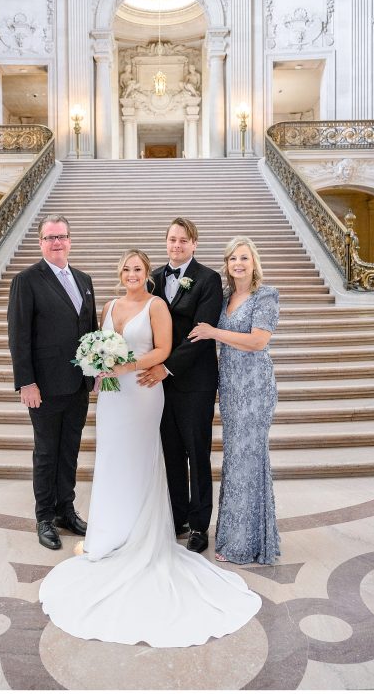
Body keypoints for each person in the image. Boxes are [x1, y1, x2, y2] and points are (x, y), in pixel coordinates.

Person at [39, 249, 261, 647]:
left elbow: (162, 350)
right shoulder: (107, 304)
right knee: (110, 460)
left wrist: (124, 367)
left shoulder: (157, 305)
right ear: (120, 272)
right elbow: (93, 344)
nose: (131, 274)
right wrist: (96, 364)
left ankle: (148, 532)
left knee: (141, 460)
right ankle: (111, 533)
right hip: (110, 396)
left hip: (142, 391)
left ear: (147, 274)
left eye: (137, 268)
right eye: (125, 268)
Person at [7, 214, 97, 550]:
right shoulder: (27, 281)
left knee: (70, 450)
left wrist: (97, 369)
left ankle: (66, 511)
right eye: (49, 237)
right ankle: (44, 516)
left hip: (77, 385)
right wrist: (26, 382)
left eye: (61, 236)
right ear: (40, 242)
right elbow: (19, 336)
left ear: (70, 240)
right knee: (46, 452)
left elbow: (91, 331)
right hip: (43, 387)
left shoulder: (84, 279)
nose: (56, 242)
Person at [189, 237, 281, 565]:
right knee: (234, 461)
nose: (238, 263)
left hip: (255, 388)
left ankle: (247, 544)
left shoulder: (265, 296)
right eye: (232, 259)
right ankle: (231, 536)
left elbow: (258, 341)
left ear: (254, 262)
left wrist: (214, 333)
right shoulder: (226, 298)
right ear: (227, 265)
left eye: (244, 258)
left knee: (248, 461)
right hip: (229, 389)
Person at [137, 218, 223, 554]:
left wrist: (166, 367)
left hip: (195, 383)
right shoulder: (154, 278)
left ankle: (200, 525)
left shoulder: (209, 279)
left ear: (194, 244)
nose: (177, 245)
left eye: (183, 240)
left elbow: (201, 333)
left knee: (197, 453)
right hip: (158, 387)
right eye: (172, 239)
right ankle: (177, 516)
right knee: (170, 452)